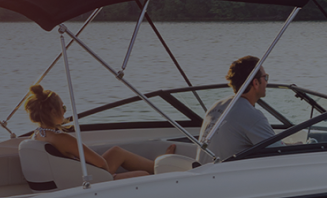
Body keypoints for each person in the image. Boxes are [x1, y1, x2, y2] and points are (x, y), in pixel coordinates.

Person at [24, 84, 174, 179]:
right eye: (63, 108)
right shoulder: (62, 139)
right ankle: (163, 170)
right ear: (52, 111)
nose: (64, 112)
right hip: (84, 181)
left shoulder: (36, 135)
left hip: (72, 176)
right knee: (144, 176)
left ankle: (160, 166)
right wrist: (110, 176)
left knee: (117, 152)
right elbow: (101, 164)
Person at [198, 56, 274, 160]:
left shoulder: (215, 106)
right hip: (225, 175)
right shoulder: (251, 115)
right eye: (265, 77)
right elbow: (279, 152)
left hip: (204, 173)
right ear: (255, 83)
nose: (266, 82)